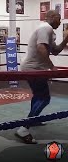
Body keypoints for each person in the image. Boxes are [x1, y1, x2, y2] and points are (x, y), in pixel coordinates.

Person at [15, 10, 68, 144]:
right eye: (59, 18)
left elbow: (54, 51)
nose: (60, 21)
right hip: (34, 69)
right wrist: (52, 67)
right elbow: (41, 48)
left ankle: (34, 119)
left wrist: (67, 38)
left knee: (38, 95)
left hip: (33, 68)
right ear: (52, 17)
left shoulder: (48, 31)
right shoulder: (46, 28)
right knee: (44, 98)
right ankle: (24, 128)